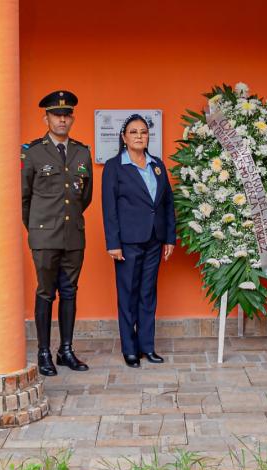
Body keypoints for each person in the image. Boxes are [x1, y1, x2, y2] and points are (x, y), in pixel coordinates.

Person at [21, 90, 92, 376]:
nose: (62, 120)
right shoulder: (33, 152)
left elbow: (84, 197)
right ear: (46, 118)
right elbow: (23, 197)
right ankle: (43, 352)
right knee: (46, 293)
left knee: (70, 292)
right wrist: (38, 228)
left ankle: (65, 350)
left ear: (72, 118)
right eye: (56, 115)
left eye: (66, 115)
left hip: (73, 234)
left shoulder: (81, 151)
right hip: (44, 236)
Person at [102, 114, 176, 368]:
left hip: (154, 239)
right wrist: (113, 242)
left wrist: (169, 237)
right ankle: (129, 348)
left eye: (143, 132)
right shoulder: (115, 166)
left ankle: (147, 346)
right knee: (128, 294)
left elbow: (167, 203)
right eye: (133, 132)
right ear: (124, 137)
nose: (139, 136)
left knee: (147, 294)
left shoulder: (157, 165)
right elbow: (109, 207)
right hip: (128, 241)